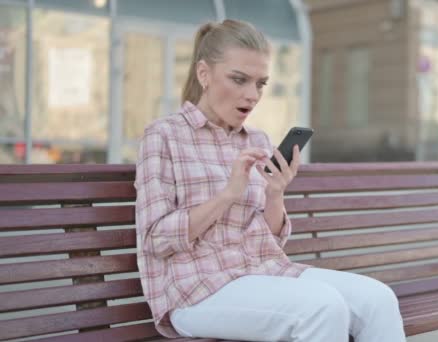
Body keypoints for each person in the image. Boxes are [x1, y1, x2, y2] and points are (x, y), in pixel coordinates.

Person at [135, 19, 406, 342]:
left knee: (378, 299)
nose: (252, 95)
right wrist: (227, 195)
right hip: (196, 291)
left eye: (261, 83)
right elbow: (155, 239)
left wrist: (275, 194)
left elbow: (271, 243)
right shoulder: (163, 136)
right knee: (321, 307)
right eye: (239, 79)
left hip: (264, 272)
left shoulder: (257, 140)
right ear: (204, 74)